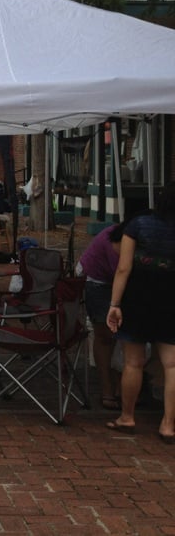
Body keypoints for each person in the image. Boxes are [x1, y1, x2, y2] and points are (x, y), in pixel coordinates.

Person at [106, 181, 175, 441]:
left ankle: (127, 416)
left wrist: (114, 304)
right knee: (172, 364)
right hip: (171, 299)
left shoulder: (138, 223)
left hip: (138, 297)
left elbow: (123, 268)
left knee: (133, 362)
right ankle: (168, 425)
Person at [78, 221, 126, 410]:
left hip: (120, 284)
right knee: (104, 335)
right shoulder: (112, 241)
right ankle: (107, 388)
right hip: (98, 282)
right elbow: (122, 272)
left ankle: (123, 387)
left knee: (126, 339)